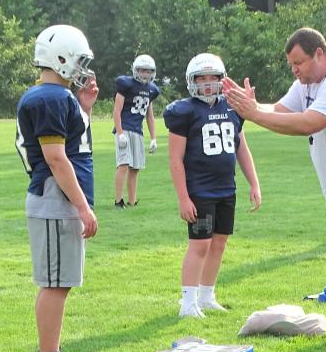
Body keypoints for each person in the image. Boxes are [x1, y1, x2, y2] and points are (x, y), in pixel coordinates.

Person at [223, 28, 326, 346]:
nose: (295, 70)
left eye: (298, 63)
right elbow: (284, 109)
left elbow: (308, 123)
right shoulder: (310, 81)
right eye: (291, 65)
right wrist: (254, 105)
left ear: (319, 53)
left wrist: (254, 115)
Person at [15, 24, 99, 352]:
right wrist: (82, 206)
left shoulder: (57, 97)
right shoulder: (50, 97)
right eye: (78, 62)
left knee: (60, 280)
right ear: (61, 59)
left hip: (57, 196)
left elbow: (72, 145)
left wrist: (85, 109)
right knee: (55, 282)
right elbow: (55, 157)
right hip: (53, 196)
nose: (81, 70)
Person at [163, 52, 261, 318]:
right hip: (200, 190)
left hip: (226, 189)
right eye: (201, 78)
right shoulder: (183, 111)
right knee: (200, 245)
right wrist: (184, 197)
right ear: (191, 81)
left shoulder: (231, 107)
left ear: (221, 80)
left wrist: (254, 182)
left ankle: (207, 296)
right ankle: (187, 303)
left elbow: (242, 148)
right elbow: (175, 159)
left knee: (219, 243)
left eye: (212, 78)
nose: (207, 83)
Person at [112, 54, 160, 207]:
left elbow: (150, 117)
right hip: (125, 128)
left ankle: (132, 201)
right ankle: (118, 200)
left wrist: (153, 138)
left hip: (138, 131)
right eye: (142, 71)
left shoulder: (152, 90)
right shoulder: (126, 84)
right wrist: (120, 133)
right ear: (135, 70)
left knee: (135, 168)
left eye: (148, 71)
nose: (145, 74)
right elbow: (116, 110)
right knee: (123, 164)